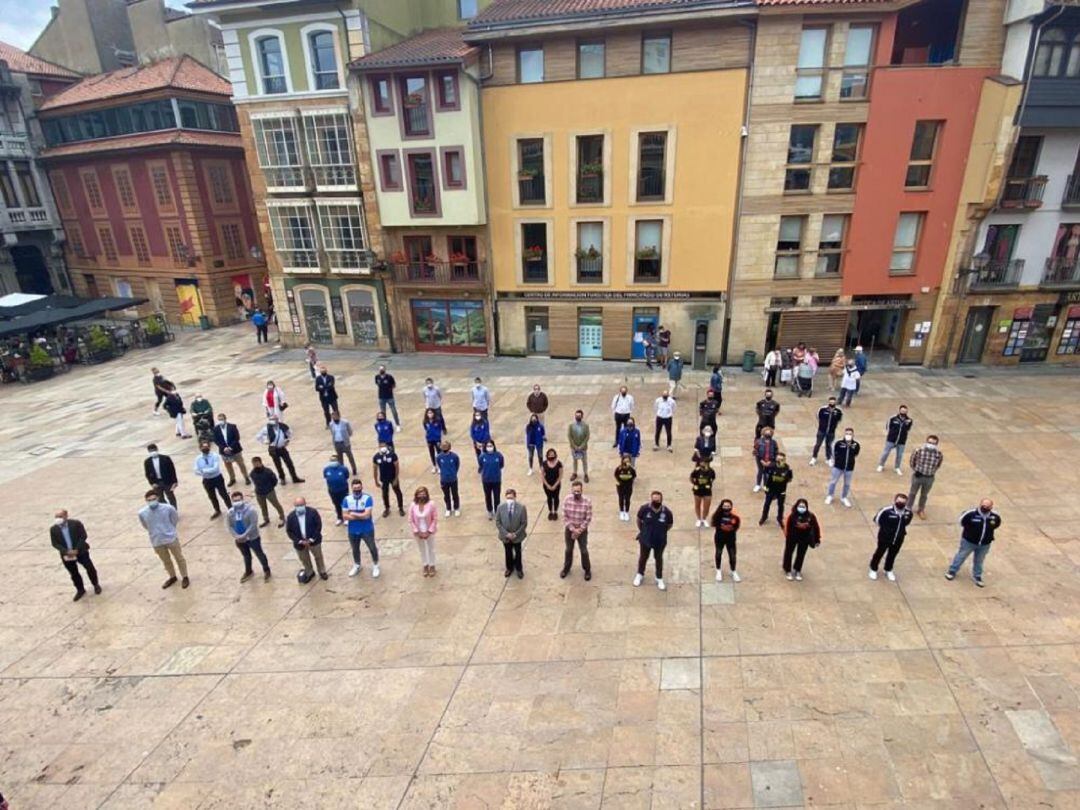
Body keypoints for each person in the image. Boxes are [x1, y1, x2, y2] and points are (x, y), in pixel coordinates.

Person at [138, 489, 189, 590]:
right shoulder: (142, 513)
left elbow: (174, 519)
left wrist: (169, 530)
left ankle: (185, 576)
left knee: (179, 558)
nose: (152, 501)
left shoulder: (168, 508)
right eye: (149, 500)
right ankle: (172, 576)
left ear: (158, 498)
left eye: (153, 499)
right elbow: (145, 525)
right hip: (157, 540)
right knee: (166, 560)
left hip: (170, 538)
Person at [946, 499, 1002, 587]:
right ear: (980, 505)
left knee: (979, 560)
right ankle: (952, 571)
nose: (985, 508)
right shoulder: (971, 514)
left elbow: (996, 524)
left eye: (987, 507)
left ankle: (977, 576)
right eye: (983, 506)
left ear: (991, 507)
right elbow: (962, 522)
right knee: (961, 556)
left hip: (984, 544)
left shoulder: (994, 516)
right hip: (969, 542)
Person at [51, 509, 100, 601]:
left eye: (60, 517)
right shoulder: (54, 529)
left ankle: (95, 584)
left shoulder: (76, 524)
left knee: (90, 568)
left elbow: (83, 536)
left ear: (66, 516)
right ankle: (80, 590)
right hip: (67, 555)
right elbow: (55, 543)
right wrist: (66, 551)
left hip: (80, 552)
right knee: (73, 573)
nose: (58, 519)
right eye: (56, 517)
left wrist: (77, 549)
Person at [227, 491, 271, 582]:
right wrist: (236, 536)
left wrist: (244, 535)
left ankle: (266, 570)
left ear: (242, 499)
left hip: (252, 538)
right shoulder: (230, 513)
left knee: (259, 554)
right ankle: (248, 571)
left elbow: (253, 525)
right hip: (239, 539)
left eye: (238, 500)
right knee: (246, 555)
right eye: (235, 501)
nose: (237, 502)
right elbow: (230, 526)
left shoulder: (251, 511)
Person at [634, 491, 674, 590]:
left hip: (660, 541)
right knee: (643, 557)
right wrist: (643, 531)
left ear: (661, 500)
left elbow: (669, 525)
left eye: (658, 500)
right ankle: (640, 574)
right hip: (645, 539)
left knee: (659, 559)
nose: (655, 501)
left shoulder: (667, 512)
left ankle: (659, 577)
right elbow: (639, 520)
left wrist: (661, 532)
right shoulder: (644, 509)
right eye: (654, 499)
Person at [869, 494, 913, 582]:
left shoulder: (908, 513)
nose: (900, 503)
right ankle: (873, 569)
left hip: (898, 538)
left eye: (903, 502)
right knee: (879, 553)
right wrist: (885, 530)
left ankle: (888, 569)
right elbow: (877, 520)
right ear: (895, 501)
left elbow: (906, 523)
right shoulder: (886, 511)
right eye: (899, 501)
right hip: (885, 538)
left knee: (892, 554)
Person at [342, 479, 379, 578]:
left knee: (372, 547)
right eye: (355, 489)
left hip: (367, 528)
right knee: (355, 548)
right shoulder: (347, 500)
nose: (357, 490)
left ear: (362, 487)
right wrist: (360, 515)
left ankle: (375, 565)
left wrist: (353, 514)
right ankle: (357, 564)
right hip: (352, 530)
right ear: (352, 489)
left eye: (359, 488)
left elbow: (367, 515)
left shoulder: (367, 498)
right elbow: (345, 516)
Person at [286, 497, 328, 583]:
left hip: (314, 540)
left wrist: (311, 539)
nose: (299, 507)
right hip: (300, 543)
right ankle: (309, 572)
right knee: (304, 559)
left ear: (305, 504)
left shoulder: (313, 513)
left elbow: (318, 526)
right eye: (297, 505)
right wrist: (299, 541)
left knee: (318, 556)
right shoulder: (291, 517)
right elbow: (289, 531)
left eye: (301, 505)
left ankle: (322, 571)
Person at [782, 498, 821, 581]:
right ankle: (787, 570)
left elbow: (816, 527)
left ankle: (797, 569)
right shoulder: (792, 516)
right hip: (792, 538)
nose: (802, 508)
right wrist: (787, 537)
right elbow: (786, 527)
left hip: (805, 538)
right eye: (800, 506)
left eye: (803, 506)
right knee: (788, 553)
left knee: (801, 554)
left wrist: (817, 539)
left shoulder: (811, 516)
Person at [257, 415, 303, 484]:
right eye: (273, 419)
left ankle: (294, 477)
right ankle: (282, 478)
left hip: (282, 448)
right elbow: (258, 437)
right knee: (278, 465)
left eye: (275, 419)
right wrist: (265, 442)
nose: (275, 421)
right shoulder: (266, 428)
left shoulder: (282, 426)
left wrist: (287, 440)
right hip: (274, 449)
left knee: (289, 463)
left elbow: (290, 432)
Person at [561, 480, 593, 580]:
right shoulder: (567, 500)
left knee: (583, 550)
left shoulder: (587, 502)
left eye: (578, 491)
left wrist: (579, 530)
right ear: (571, 490)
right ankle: (566, 568)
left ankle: (587, 569)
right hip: (570, 529)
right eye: (574, 491)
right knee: (568, 549)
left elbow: (588, 518)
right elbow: (565, 516)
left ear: (581, 490)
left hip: (581, 530)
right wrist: (572, 529)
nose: (576, 493)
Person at [907, 435, 943, 519]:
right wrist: (916, 470)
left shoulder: (938, 454)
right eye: (929, 442)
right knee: (912, 493)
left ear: (936, 444)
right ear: (926, 442)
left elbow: (938, 465)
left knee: (924, 495)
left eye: (933, 443)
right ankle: (908, 508)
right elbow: (912, 461)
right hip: (918, 476)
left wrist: (931, 472)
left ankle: (921, 509)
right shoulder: (918, 451)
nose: (931, 444)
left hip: (929, 477)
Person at [495, 488, 527, 578]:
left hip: (517, 536)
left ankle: (519, 569)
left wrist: (515, 534)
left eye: (511, 498)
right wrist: (506, 534)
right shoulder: (500, 507)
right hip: (505, 536)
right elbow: (498, 522)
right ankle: (509, 568)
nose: (510, 500)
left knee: (518, 552)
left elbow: (524, 523)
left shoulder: (521, 508)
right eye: (508, 498)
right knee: (508, 552)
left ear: (515, 497)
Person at [193, 441, 230, 519]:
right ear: (200, 448)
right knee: (211, 496)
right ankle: (217, 510)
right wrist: (205, 472)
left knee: (223, 494)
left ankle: (230, 508)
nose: (205, 449)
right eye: (203, 447)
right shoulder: (198, 459)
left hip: (217, 478)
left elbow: (215, 469)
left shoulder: (214, 456)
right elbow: (196, 471)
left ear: (209, 447)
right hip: (206, 480)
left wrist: (203, 471)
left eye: (206, 447)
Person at [408, 486, 439, 577]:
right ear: (416, 495)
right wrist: (417, 531)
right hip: (418, 531)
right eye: (419, 494)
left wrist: (429, 531)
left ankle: (432, 565)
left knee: (431, 549)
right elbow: (411, 519)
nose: (422, 495)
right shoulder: (413, 505)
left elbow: (435, 518)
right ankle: (425, 565)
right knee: (422, 549)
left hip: (429, 530)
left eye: (423, 493)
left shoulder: (431, 504)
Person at [212, 413, 250, 487]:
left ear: (225, 419)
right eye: (219, 420)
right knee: (228, 466)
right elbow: (216, 440)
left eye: (222, 419)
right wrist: (224, 448)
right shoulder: (216, 429)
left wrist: (230, 447)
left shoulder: (232, 427)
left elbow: (237, 438)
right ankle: (232, 478)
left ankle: (246, 477)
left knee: (241, 464)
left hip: (235, 449)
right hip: (224, 451)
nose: (221, 421)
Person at [826, 428, 860, 507]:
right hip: (838, 467)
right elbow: (834, 453)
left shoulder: (856, 445)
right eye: (847, 433)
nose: (848, 435)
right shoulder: (839, 444)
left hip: (849, 468)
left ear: (853, 435)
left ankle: (844, 497)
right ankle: (830, 495)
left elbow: (855, 454)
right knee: (833, 482)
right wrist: (834, 461)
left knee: (847, 484)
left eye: (850, 434)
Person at [249, 456, 286, 528]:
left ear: (260, 462)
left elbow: (274, 480)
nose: (255, 465)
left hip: (269, 491)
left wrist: (270, 487)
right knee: (263, 507)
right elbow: (254, 482)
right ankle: (266, 519)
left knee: (276, 504)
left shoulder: (268, 471)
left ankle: (282, 517)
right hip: (259, 493)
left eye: (256, 463)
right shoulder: (252, 473)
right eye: (254, 464)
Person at [710, 499, 741, 582]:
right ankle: (718, 570)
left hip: (730, 538)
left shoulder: (734, 516)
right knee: (718, 553)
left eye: (728, 506)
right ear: (722, 506)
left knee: (732, 555)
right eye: (725, 506)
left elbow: (737, 526)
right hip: (720, 538)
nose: (726, 508)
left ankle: (733, 571)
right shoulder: (717, 515)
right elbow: (714, 523)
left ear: (731, 507)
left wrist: (730, 528)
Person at [877, 404, 913, 475]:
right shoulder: (893, 418)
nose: (903, 412)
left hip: (901, 441)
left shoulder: (909, 420)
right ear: (899, 410)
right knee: (885, 453)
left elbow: (908, 429)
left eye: (905, 411)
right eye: (902, 410)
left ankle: (897, 467)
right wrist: (890, 434)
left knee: (899, 455)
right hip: (891, 439)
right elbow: (888, 426)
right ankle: (881, 465)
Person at [760, 451, 793, 527]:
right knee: (767, 504)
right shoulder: (771, 466)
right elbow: (765, 475)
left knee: (781, 505)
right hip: (771, 489)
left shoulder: (787, 468)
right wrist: (766, 487)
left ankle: (780, 519)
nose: (780, 461)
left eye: (782, 459)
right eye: (778, 459)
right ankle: (764, 517)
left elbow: (790, 479)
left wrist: (782, 480)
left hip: (781, 491)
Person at [373, 442, 405, 518]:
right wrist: (376, 481)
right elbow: (375, 469)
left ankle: (400, 508)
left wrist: (396, 478)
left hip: (393, 477)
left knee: (398, 492)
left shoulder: (392, 455)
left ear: (386, 446)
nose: (382, 447)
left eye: (383, 446)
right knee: (384, 494)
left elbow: (397, 467)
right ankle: (387, 508)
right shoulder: (377, 457)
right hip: (384, 479)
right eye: (381, 446)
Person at [810, 396, 843, 466]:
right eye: (831, 402)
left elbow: (839, 420)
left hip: (831, 432)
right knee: (818, 444)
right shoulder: (822, 409)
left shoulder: (838, 411)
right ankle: (814, 458)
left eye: (833, 402)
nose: (832, 403)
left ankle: (828, 459)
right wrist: (822, 424)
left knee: (829, 445)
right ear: (829, 402)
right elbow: (818, 417)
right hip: (821, 431)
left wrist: (833, 426)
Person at [144, 443, 178, 508]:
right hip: (157, 482)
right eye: (151, 451)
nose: (153, 452)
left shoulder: (165, 458)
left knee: (170, 496)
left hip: (167, 482)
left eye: (154, 450)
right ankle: (166, 509)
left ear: (157, 449)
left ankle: (174, 510)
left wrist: (175, 481)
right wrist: (152, 483)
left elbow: (172, 470)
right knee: (160, 498)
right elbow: (147, 473)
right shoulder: (147, 461)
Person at [478, 440, 504, 519]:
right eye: (488, 446)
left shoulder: (498, 455)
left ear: (494, 446)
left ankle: (497, 511)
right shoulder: (482, 456)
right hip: (486, 480)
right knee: (488, 496)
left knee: (497, 497)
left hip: (496, 480)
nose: (489, 447)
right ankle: (490, 511)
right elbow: (481, 465)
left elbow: (501, 465)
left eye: (491, 445)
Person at [323, 453, 351, 526]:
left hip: (343, 490)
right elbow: (326, 477)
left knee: (345, 504)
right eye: (331, 460)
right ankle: (339, 517)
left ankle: (346, 518)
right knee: (336, 504)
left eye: (334, 460)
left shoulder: (343, 468)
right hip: (332, 491)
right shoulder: (326, 469)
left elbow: (347, 476)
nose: (333, 462)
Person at [436, 441, 461, 516]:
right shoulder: (439, 457)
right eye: (443, 448)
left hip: (453, 479)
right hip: (444, 479)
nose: (444, 449)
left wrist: (453, 472)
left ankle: (456, 508)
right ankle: (448, 508)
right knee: (446, 495)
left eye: (446, 448)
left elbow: (457, 465)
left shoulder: (454, 456)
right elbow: (440, 465)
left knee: (455, 494)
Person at [329, 410, 357, 475]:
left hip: (345, 443)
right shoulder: (331, 424)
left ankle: (354, 468)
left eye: (335, 416)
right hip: (337, 443)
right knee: (340, 458)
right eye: (333, 416)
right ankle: (342, 470)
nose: (334, 418)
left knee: (350, 456)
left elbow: (350, 432)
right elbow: (332, 433)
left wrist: (346, 438)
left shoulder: (345, 422)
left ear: (339, 416)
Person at [690, 457, 715, 528]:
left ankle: (704, 519)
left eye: (704, 462)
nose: (702, 463)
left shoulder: (711, 471)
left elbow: (712, 479)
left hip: (707, 491)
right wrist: (695, 484)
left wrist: (708, 485)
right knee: (697, 505)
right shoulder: (696, 470)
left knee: (706, 506)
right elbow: (691, 478)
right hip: (698, 490)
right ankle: (698, 519)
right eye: (701, 462)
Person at [752, 427, 778, 493]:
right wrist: (761, 460)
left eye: (769, 433)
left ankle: (766, 485)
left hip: (770, 460)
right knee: (760, 471)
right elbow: (755, 452)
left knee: (767, 473)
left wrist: (771, 461)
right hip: (760, 460)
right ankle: (758, 485)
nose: (767, 434)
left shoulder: (774, 442)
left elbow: (776, 452)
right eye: (766, 432)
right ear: (763, 433)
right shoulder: (758, 441)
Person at [568, 410, 591, 483]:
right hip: (574, 447)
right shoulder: (571, 425)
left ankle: (586, 474)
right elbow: (569, 436)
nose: (577, 417)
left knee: (584, 461)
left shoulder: (586, 425)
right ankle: (574, 473)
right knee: (574, 461)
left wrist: (582, 446)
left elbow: (587, 436)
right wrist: (574, 446)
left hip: (583, 448)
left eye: (579, 415)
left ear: (582, 416)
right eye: (576, 415)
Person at [541, 448, 563, 520]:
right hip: (547, 484)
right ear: (547, 455)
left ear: (555, 455)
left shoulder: (559, 464)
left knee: (556, 498)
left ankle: (555, 512)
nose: (551, 456)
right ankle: (550, 511)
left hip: (556, 484)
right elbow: (542, 475)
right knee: (549, 498)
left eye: (552, 454)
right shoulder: (544, 463)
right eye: (549, 455)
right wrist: (547, 485)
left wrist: (555, 485)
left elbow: (560, 476)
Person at [614, 454, 637, 521]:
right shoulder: (619, 468)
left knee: (627, 499)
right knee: (621, 498)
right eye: (625, 459)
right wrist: (618, 481)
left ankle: (626, 512)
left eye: (628, 460)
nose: (626, 461)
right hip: (621, 486)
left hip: (628, 486)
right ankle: (621, 511)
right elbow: (616, 475)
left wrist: (630, 481)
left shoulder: (631, 469)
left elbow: (634, 475)